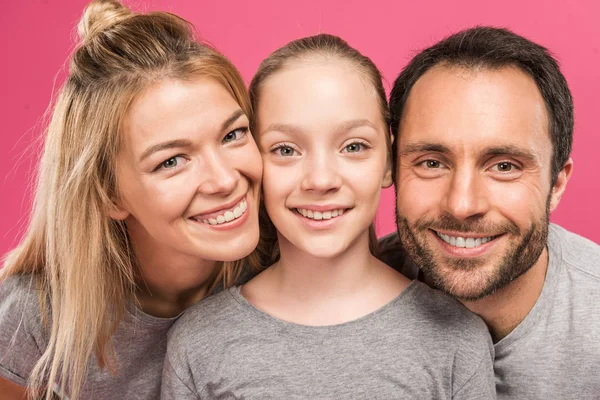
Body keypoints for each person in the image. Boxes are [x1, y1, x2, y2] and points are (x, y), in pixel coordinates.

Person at [162, 33, 496, 399]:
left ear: (389, 162)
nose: (321, 180)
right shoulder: (198, 343)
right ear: (253, 163)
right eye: (286, 149)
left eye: (353, 146)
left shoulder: (456, 341)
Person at [0, 1, 263, 399]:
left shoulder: (287, 261)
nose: (225, 179)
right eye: (171, 161)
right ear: (109, 194)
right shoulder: (34, 315)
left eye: (232, 135)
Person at [381, 26, 600, 399]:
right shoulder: (339, 296)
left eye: (504, 166)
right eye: (432, 162)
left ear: (556, 185)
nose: (463, 205)